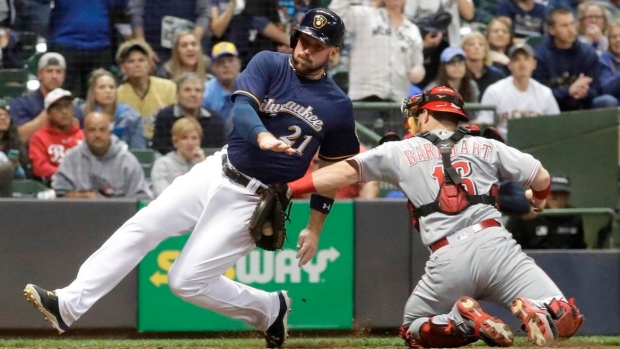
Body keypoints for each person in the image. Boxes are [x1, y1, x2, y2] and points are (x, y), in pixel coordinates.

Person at [23, 8, 359, 349]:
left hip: (254, 199)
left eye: (316, 45)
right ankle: (68, 304)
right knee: (142, 226)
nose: (305, 48)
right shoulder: (269, 63)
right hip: (218, 168)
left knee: (184, 281)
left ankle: (269, 308)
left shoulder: (338, 106)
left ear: (333, 52)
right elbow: (242, 109)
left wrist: (315, 227)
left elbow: (332, 170)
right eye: (302, 39)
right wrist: (261, 136)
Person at [287, 85, 584, 348]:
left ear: (427, 115)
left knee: (414, 327)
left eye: (419, 114)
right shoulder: (488, 145)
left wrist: (291, 187)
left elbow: (343, 172)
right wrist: (540, 201)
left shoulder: (400, 149)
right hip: (499, 248)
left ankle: (468, 321)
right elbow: (541, 176)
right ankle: (537, 310)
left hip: (449, 256)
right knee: (564, 315)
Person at [328, 0, 425, 102]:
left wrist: (418, 71)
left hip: (398, 99)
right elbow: (336, 14)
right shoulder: (366, 16)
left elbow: (418, 65)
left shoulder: (412, 30)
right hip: (364, 96)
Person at [51, 112, 152, 199]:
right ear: (84, 133)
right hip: (79, 217)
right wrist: (82, 197)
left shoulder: (127, 161)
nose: (97, 135)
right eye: (92, 130)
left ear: (110, 132)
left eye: (102, 130)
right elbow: (59, 194)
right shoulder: (71, 158)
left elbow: (142, 197)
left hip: (120, 218)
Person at [533, 7, 618, 111]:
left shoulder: (587, 53)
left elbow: (597, 89)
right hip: (552, 108)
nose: (571, 30)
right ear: (551, 30)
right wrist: (568, 91)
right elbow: (537, 94)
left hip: (583, 105)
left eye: (572, 24)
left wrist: (584, 92)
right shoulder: (539, 55)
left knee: (607, 101)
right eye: (564, 26)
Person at [47, 0, 128, 98]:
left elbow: (120, 4)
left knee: (99, 97)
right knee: (61, 97)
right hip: (65, 45)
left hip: (100, 46)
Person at [477, 43, 560, 140]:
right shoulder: (494, 91)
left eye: (526, 59)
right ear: (510, 65)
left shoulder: (545, 93)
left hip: (536, 147)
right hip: (503, 147)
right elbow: (484, 125)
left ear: (534, 64)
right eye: (516, 60)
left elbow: (555, 126)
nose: (522, 64)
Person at [10, 52, 84, 144]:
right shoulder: (22, 103)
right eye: (49, 71)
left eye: (58, 71)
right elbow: (20, 138)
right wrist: (50, 110)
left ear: (64, 76)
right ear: (39, 74)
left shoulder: (75, 109)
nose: (54, 76)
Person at [115, 40, 177, 141]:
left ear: (150, 63)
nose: (137, 65)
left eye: (141, 60)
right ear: (123, 67)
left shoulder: (168, 87)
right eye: (131, 61)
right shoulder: (117, 95)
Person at [151, 73, 226, 155]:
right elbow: (159, 150)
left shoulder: (215, 120)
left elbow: (219, 151)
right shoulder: (165, 117)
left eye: (198, 90)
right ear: (177, 94)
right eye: (187, 90)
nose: (193, 94)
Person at [507, 173, 587, 249]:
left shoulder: (574, 217)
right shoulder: (524, 214)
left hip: (565, 262)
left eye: (562, 193)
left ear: (568, 196)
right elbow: (509, 247)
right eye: (553, 193)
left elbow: (579, 249)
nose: (556, 198)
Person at [28, 88, 84, 184]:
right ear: (48, 114)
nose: (64, 111)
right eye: (58, 108)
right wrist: (66, 175)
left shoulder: (83, 136)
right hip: (52, 187)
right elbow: (40, 168)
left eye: (67, 106)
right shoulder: (39, 138)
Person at [128, 0, 211, 64]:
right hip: (153, 49)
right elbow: (136, 12)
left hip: (188, 50)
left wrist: (191, 44)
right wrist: (143, 46)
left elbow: (204, 13)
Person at [82, 68, 146, 149]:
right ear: (93, 92)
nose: (108, 91)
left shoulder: (132, 117)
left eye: (111, 87)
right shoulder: (82, 115)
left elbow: (139, 152)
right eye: (102, 87)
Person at [151, 117, 205, 197]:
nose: (190, 143)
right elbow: (162, 196)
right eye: (184, 138)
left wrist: (203, 165)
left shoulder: (203, 164)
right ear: (175, 142)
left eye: (194, 138)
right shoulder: (163, 164)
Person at [202, 41, 241, 137]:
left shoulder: (253, 86)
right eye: (221, 62)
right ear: (213, 67)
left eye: (230, 61)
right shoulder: (205, 92)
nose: (226, 65)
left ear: (239, 64)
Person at [461, 31, 507, 99]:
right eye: (471, 44)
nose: (477, 47)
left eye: (481, 44)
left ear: (485, 50)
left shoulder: (497, 75)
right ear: (463, 50)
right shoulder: (460, 75)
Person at [600, 19, 620, 98]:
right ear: (608, 40)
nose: (618, 40)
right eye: (614, 37)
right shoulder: (603, 60)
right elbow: (606, 89)